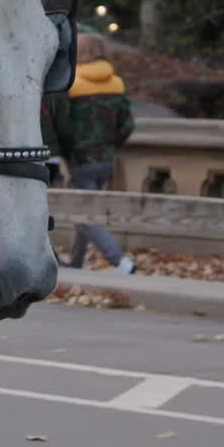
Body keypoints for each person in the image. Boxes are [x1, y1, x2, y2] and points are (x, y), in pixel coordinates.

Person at [55, 33, 137, 274]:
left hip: (81, 160)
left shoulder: (72, 83)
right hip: (106, 161)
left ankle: (119, 262)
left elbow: (64, 126)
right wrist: (111, 146)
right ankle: (76, 263)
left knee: (85, 212)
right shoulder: (117, 83)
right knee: (86, 209)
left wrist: (66, 153)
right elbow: (128, 125)